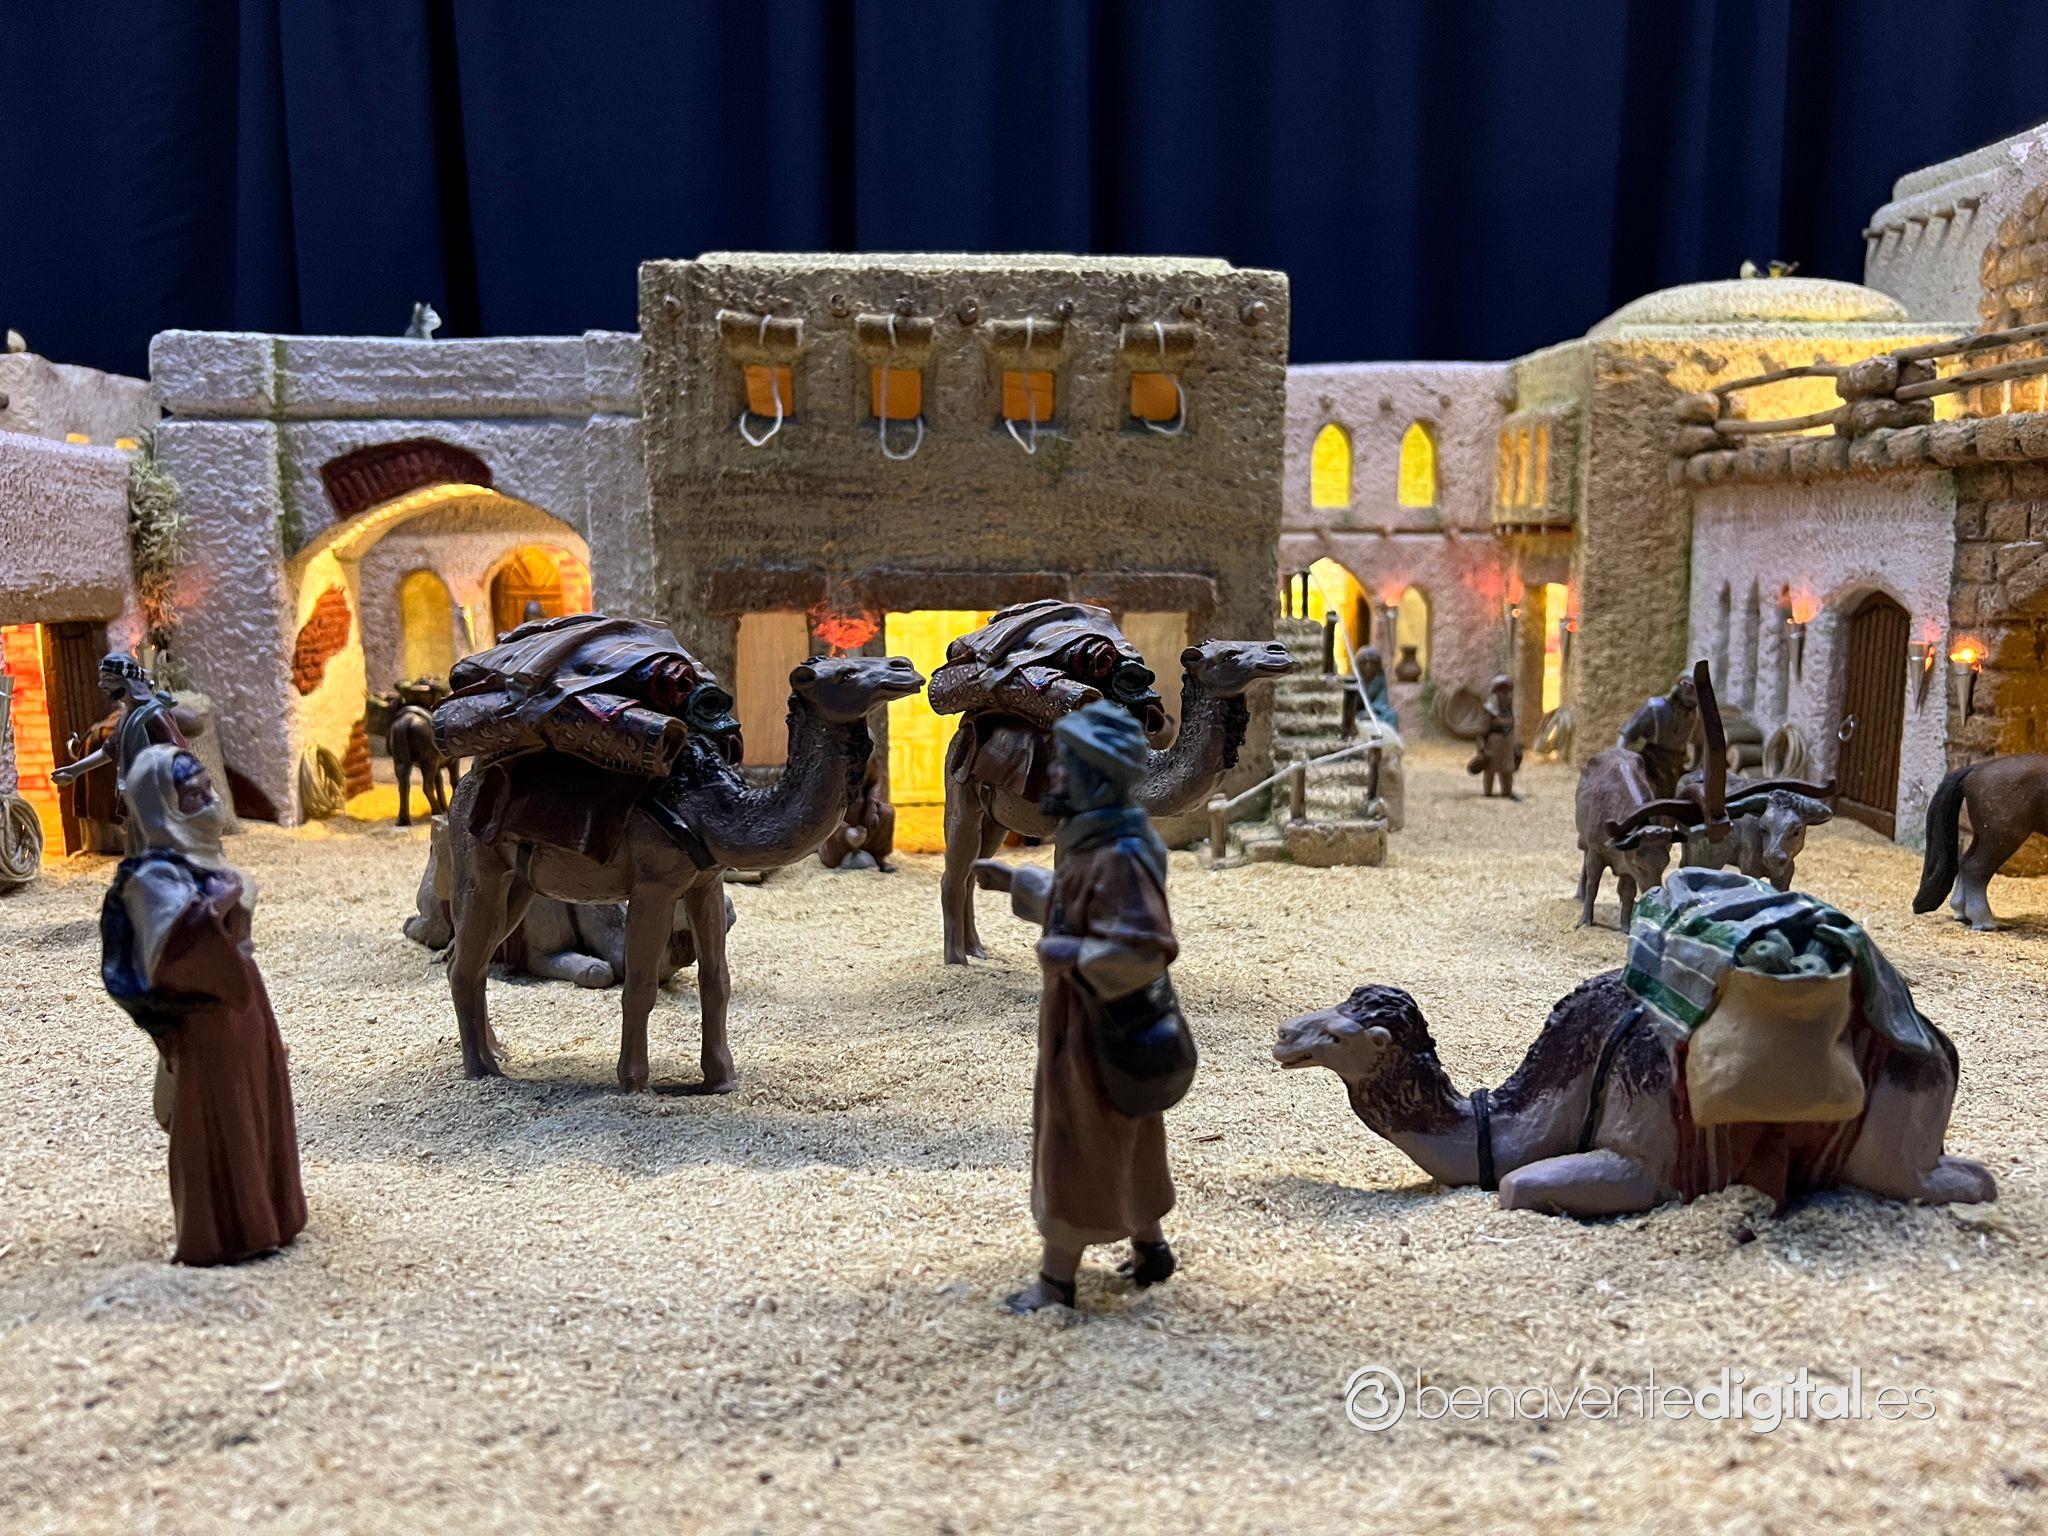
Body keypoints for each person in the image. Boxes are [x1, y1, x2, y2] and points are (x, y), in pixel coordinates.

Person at [974, 702, 1191, 1314]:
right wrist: (1018, 884)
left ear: (1097, 775)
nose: (1055, 774)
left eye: (1067, 764)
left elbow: (1144, 947)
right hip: (1098, 1024)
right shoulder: (1101, 839)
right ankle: (1150, 1247)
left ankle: (1057, 1281)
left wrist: (1067, 952)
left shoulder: (1119, 854)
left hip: (1097, 1029)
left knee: (1075, 1143)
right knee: (1129, 1133)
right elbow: (1082, 903)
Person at [99, 745, 306, 1266]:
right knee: (222, 1110)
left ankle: (274, 1212)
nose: (209, 802)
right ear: (164, 806)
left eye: (209, 790)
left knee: (258, 1097)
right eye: (193, 796)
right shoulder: (150, 876)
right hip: (205, 1010)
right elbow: (172, 947)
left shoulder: (204, 858)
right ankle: (227, 1230)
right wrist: (224, 898)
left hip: (243, 996)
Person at [53, 653, 201, 852]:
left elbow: (177, 752)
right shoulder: (127, 718)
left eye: (108, 680)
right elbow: (108, 751)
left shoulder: (152, 714)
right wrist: (73, 770)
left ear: (124, 681)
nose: (102, 685)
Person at [1618, 673, 1701, 800]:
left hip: (1677, 764)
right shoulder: (1655, 708)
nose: (1690, 693)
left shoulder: (1695, 717)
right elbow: (1627, 735)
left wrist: (1694, 766)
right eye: (1687, 686)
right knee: (1650, 796)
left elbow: (1700, 743)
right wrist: (1622, 761)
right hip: (1651, 762)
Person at [1469, 673, 1522, 800]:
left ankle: (1507, 791)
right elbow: (1481, 732)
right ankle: (1488, 791)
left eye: (1508, 693)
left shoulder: (1509, 711)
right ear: (1497, 694)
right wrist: (1481, 748)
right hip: (1493, 746)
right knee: (1490, 770)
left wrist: (1516, 745)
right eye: (1503, 693)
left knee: (1507, 771)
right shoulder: (1489, 711)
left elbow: (1512, 729)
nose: (1507, 696)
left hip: (1507, 746)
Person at [1341, 644, 1393, 740]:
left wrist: (1372, 710)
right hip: (1357, 713)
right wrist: (1363, 713)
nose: (1368, 666)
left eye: (1372, 663)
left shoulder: (1380, 679)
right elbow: (1350, 704)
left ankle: (1389, 742)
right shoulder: (1353, 680)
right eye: (1364, 663)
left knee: (1392, 716)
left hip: (1375, 711)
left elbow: (1382, 700)